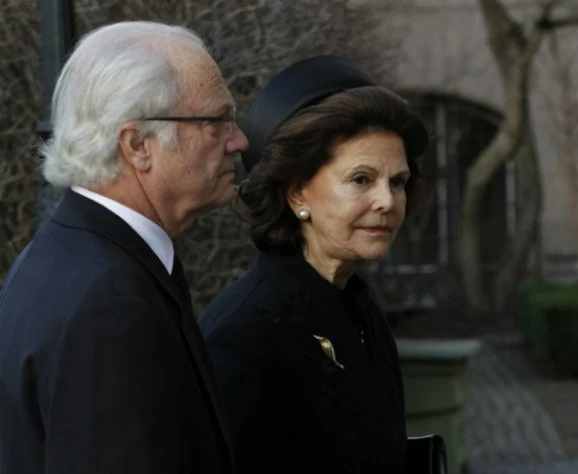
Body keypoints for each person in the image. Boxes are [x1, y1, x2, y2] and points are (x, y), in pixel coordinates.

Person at [0, 21, 248, 474]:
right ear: (138, 146)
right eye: (217, 121)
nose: (238, 140)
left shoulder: (69, 260)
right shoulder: (110, 304)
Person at [199, 55, 430, 474]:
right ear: (296, 193)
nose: (387, 201)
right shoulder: (244, 333)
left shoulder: (358, 308)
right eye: (361, 179)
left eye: (397, 182)